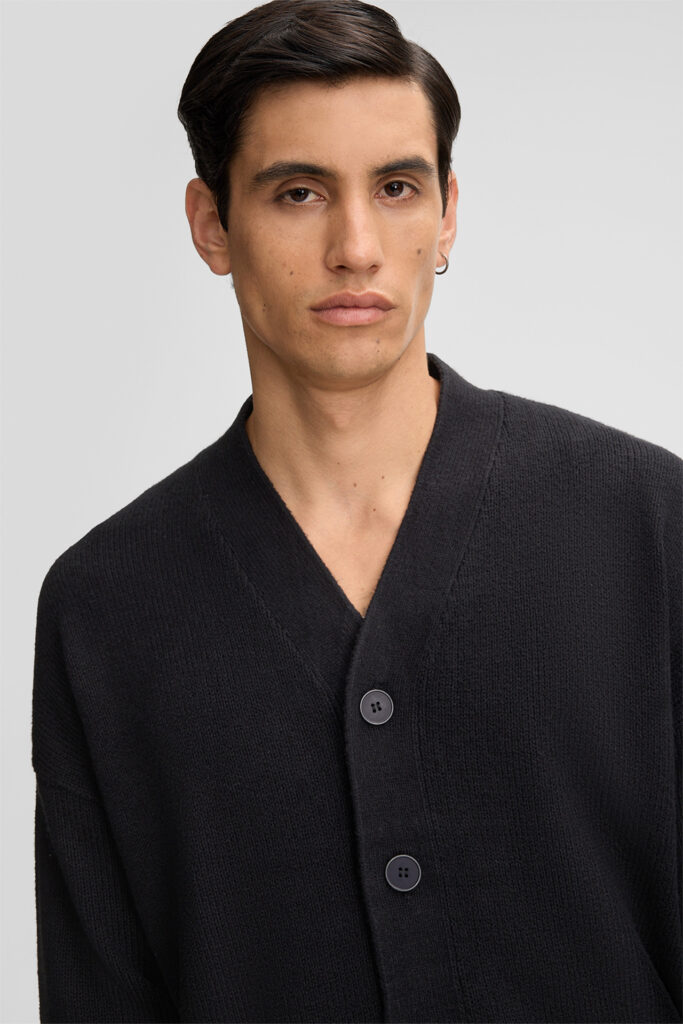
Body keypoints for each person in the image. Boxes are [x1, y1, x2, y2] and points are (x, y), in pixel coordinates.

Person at [31, 1, 682, 1021]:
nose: (356, 247)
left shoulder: (645, 526)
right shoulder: (106, 609)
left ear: (447, 215)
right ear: (211, 225)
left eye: (395, 188)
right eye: (298, 192)